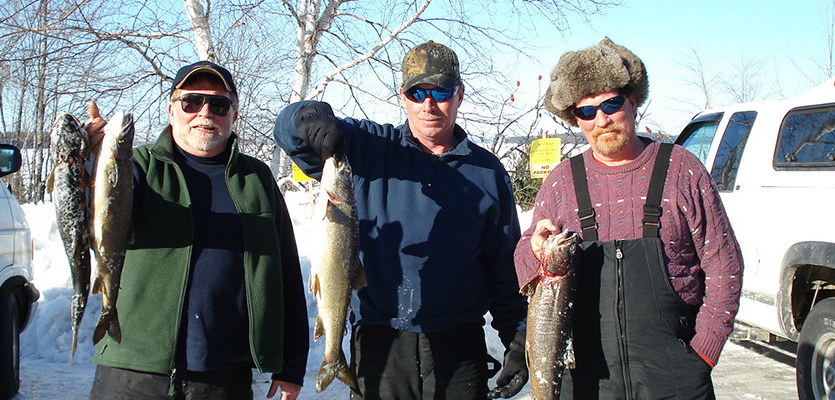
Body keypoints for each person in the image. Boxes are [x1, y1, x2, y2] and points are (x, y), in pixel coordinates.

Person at [274, 41, 528, 399]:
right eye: (417, 91)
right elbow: (290, 135)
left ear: (459, 95)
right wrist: (306, 116)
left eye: (441, 91)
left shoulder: (487, 172)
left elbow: (505, 269)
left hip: (460, 348)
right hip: (379, 345)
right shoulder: (366, 148)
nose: (428, 103)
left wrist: (517, 340)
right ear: (402, 96)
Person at [513, 37, 743, 399]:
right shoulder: (561, 183)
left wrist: (704, 351)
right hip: (588, 382)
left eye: (611, 104)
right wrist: (535, 250)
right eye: (586, 111)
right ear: (575, 119)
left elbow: (724, 263)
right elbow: (524, 262)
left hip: (675, 378)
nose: (601, 119)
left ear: (633, 101)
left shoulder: (682, 171)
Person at [82, 61, 309, 400]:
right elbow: (97, 216)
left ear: (233, 115)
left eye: (218, 105)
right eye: (191, 102)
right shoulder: (137, 166)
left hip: (223, 378)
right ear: (172, 110)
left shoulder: (256, 180)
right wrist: (92, 159)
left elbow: (285, 273)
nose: (205, 113)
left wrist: (291, 365)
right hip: (131, 373)